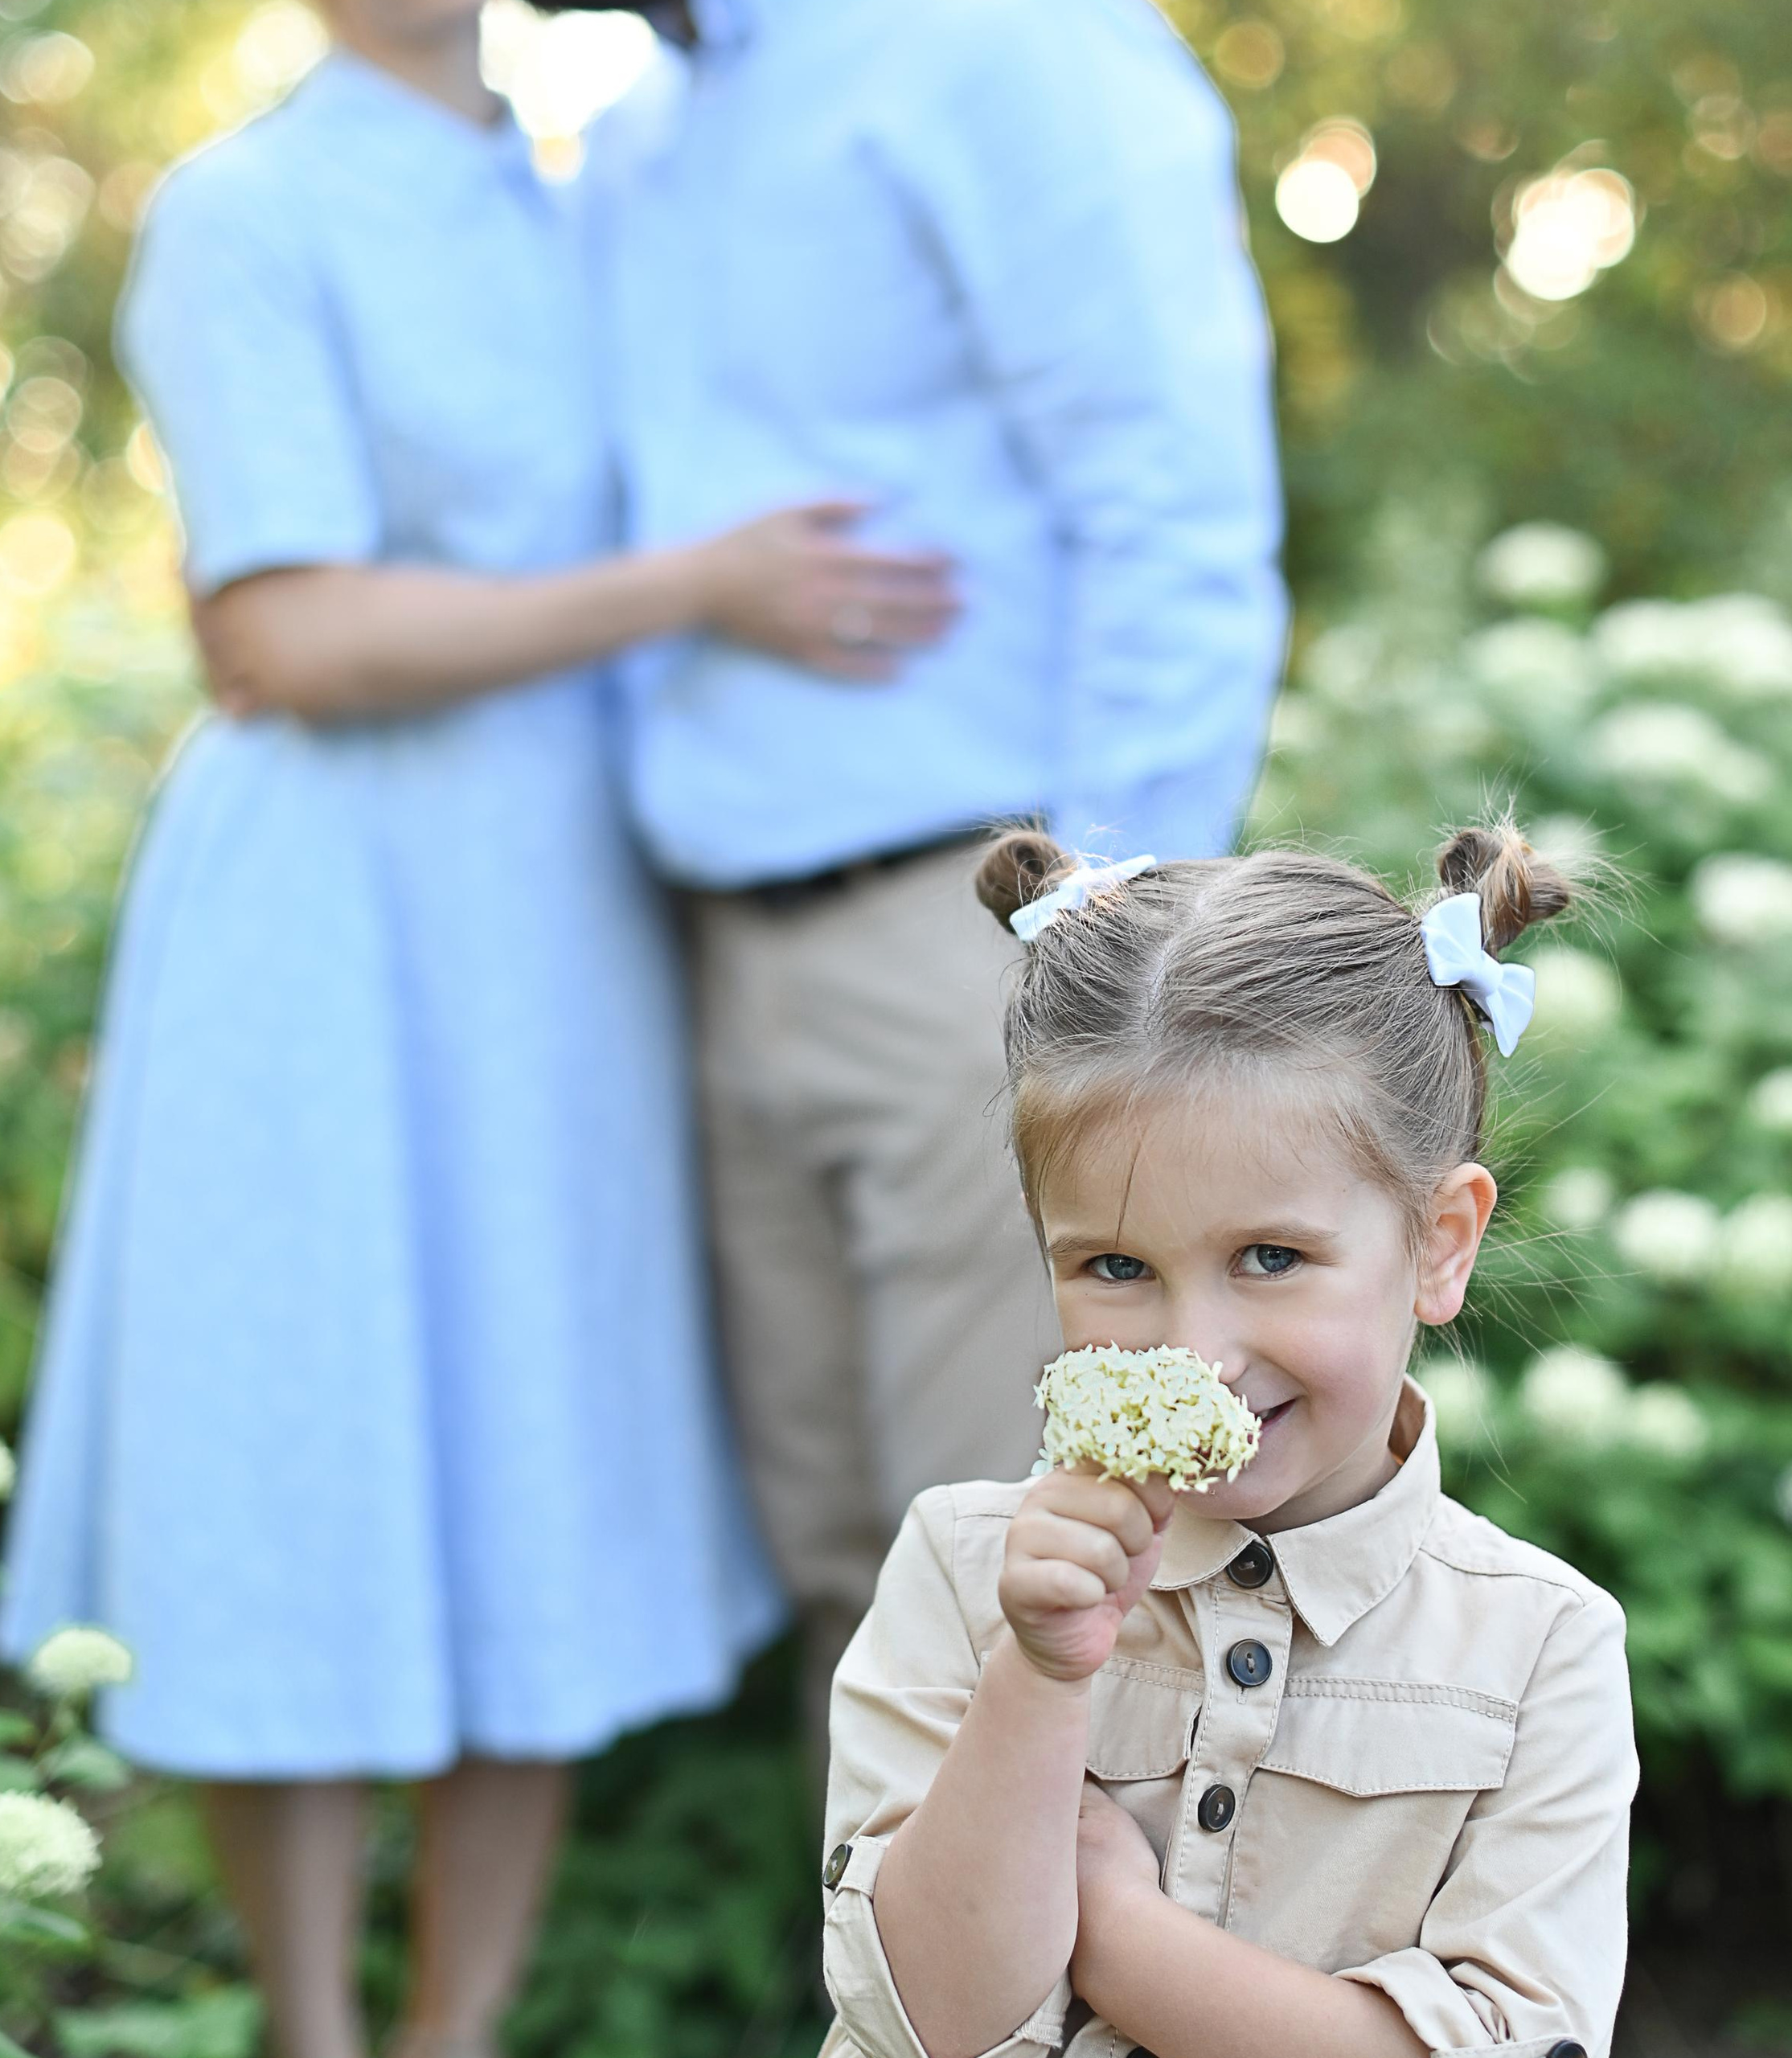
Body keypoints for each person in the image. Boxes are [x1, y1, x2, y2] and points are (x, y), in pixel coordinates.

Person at [0, 4, 955, 2056]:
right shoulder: (246, 209)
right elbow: (285, 635)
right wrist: (690, 587)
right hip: (327, 929)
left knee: (529, 1457)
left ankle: (458, 2032)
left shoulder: (598, 182)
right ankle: (318, 2030)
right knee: (312, 1460)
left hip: (571, 931)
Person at [589, 0, 1288, 1754]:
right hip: (717, 946)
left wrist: (1096, 942)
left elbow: (1175, 496)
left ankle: (1087, 2026)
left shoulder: (1001, 39)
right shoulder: (646, 121)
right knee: (860, 1587)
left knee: (1036, 1583)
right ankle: (907, 2016)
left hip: (966, 923)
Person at [817, 826, 1639, 2058]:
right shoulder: (963, 1568)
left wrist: (1117, 1932)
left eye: (1271, 1258)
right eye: (1115, 1266)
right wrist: (1038, 1683)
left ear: (1438, 1244)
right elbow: (923, 2021)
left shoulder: (1539, 1653)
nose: (1195, 1352)